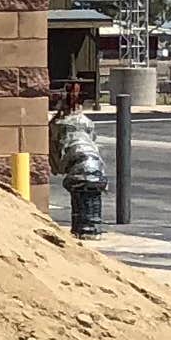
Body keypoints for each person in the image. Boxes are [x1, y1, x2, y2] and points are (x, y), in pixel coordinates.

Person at [52, 85, 109, 238]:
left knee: (79, 200)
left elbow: (59, 155)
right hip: (97, 168)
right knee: (91, 202)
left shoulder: (60, 125)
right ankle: (91, 229)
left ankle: (83, 230)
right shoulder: (87, 123)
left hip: (79, 169)